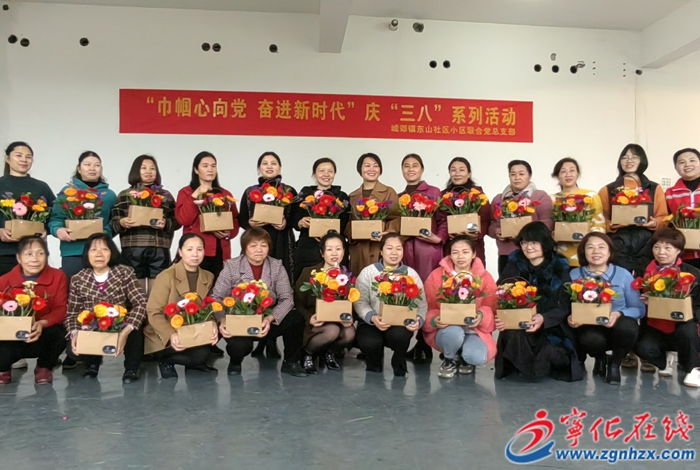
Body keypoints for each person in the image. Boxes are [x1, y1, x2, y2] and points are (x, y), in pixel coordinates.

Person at [212, 228, 307, 377]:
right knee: (239, 346)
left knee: (296, 318)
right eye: (253, 245)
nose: (259, 250)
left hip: (266, 320)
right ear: (244, 248)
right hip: (241, 321)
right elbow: (216, 298)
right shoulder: (232, 266)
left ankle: (291, 362)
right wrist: (222, 320)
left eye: (264, 245)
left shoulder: (276, 266)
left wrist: (271, 318)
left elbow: (287, 298)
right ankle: (235, 362)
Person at [495, 221, 582, 382]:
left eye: (534, 242)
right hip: (521, 322)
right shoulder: (515, 263)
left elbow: (565, 305)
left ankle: (533, 367)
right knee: (514, 336)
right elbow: (500, 292)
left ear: (545, 243)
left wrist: (543, 318)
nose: (528, 247)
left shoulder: (560, 266)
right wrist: (502, 316)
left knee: (551, 350)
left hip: (551, 324)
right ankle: (530, 368)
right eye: (524, 242)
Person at [65, 233, 147, 383]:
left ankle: (132, 368)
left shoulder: (124, 272)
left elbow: (141, 302)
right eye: (93, 250)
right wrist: (74, 333)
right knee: (73, 348)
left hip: (120, 323)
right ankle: (92, 365)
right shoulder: (78, 279)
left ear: (112, 252)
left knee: (135, 327)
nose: (99, 254)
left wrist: (126, 330)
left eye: (104, 249)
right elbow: (72, 313)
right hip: (93, 326)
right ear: (87, 254)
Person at [568, 233, 644, 385]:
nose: (596, 251)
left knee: (628, 328)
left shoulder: (623, 274)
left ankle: (615, 363)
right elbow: (567, 305)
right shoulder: (573, 274)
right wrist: (571, 317)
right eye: (590, 247)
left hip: (618, 325)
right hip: (589, 326)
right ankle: (600, 357)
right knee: (591, 339)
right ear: (583, 252)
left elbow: (639, 309)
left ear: (610, 252)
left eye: (601, 247)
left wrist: (619, 313)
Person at [422, 236, 497, 378]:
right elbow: (428, 305)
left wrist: (481, 316)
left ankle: (464, 358)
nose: (460, 256)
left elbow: (491, 306)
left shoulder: (484, 277)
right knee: (454, 333)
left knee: (477, 357)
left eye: (465, 252)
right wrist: (434, 320)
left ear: (474, 254)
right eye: (455, 252)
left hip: (473, 330)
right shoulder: (437, 276)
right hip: (447, 330)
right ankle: (449, 358)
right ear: (450, 255)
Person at [145, 234, 218, 379]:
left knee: (203, 355)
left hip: (191, 332)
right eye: (189, 249)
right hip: (165, 333)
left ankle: (192, 360)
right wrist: (170, 334)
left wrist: (213, 325)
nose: (195, 254)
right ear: (180, 252)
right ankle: (165, 360)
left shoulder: (208, 276)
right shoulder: (166, 276)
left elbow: (208, 308)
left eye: (199, 249)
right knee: (193, 355)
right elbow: (154, 312)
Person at [634, 228, 700, 387]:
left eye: (667, 248)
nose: (661, 252)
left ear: (678, 250)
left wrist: (684, 310)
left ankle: (692, 369)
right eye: (656, 247)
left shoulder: (692, 273)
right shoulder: (643, 270)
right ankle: (664, 361)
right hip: (653, 323)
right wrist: (643, 302)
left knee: (688, 333)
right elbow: (633, 299)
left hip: (683, 321)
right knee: (642, 348)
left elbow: (698, 303)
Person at [354, 233, 427, 377]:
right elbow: (360, 301)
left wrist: (418, 320)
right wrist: (372, 317)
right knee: (369, 342)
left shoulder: (411, 274)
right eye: (389, 248)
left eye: (398, 249)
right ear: (381, 251)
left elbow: (421, 303)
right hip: (372, 323)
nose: (394, 252)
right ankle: (374, 360)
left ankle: (399, 358)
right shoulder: (368, 272)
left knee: (400, 336)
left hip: (399, 323)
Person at [399, 154, 447, 365]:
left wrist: (439, 238)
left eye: (415, 165)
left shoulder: (434, 193)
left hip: (428, 251)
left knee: (428, 296)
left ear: (422, 169)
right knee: (408, 294)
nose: (410, 169)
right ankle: (409, 341)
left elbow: (444, 220)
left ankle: (424, 344)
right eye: (406, 166)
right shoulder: (400, 197)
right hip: (406, 251)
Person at [0, 236, 67, 385]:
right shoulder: (4, 281)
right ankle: (3, 368)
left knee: (62, 331)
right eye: (29, 254)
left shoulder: (58, 277)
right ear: (19, 258)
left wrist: (42, 323)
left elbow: (61, 308)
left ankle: (44, 367)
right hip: (12, 338)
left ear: (47, 256)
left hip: (43, 334)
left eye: (40, 253)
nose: (35, 259)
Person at [110, 155, 180, 296]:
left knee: (158, 294)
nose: (149, 171)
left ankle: (153, 312)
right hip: (133, 249)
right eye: (144, 168)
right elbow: (113, 223)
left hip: (159, 248)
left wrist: (166, 223)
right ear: (136, 171)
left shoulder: (165, 196)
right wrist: (122, 222)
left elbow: (177, 221)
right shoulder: (125, 195)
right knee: (137, 294)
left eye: (152, 168)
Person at [598, 144, 668, 277]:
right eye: (625, 157)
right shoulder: (607, 190)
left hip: (647, 243)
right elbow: (600, 219)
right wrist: (610, 225)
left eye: (634, 157)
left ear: (642, 160)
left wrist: (655, 223)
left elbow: (664, 217)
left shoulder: (654, 188)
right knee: (618, 280)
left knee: (647, 280)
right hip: (618, 242)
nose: (629, 160)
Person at [48, 151, 117, 279]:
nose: (92, 168)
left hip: (100, 253)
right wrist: (58, 230)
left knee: (101, 288)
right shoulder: (67, 192)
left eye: (97, 165)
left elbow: (114, 222)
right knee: (73, 287)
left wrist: (105, 232)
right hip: (73, 252)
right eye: (87, 164)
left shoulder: (109, 195)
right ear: (79, 169)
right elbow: (55, 219)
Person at [294, 232, 356, 374]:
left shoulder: (347, 276)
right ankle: (307, 353)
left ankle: (328, 353)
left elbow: (351, 303)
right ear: (322, 253)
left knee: (350, 332)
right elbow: (296, 301)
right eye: (329, 249)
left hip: (338, 321)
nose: (334, 253)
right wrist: (309, 317)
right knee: (332, 330)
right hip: (314, 321)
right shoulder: (309, 272)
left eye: (338, 249)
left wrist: (349, 317)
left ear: (344, 251)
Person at [175, 151, 239, 281]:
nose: (210, 169)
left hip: (220, 250)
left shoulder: (225, 194)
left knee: (219, 288)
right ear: (196, 170)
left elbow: (234, 219)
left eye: (213, 166)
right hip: (196, 251)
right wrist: (195, 195)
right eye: (205, 166)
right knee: (194, 287)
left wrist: (228, 233)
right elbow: (183, 219)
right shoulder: (186, 192)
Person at [238, 152, 298, 282]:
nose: (269, 166)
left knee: (283, 277)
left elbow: (296, 218)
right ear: (259, 168)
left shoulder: (289, 191)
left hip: (282, 240)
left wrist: (285, 222)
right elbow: (241, 219)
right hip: (256, 239)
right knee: (253, 277)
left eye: (273, 163)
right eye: (265, 163)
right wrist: (250, 223)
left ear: (280, 168)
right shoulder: (250, 192)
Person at [488, 160, 554, 277]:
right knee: (507, 285)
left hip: (533, 253)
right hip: (506, 253)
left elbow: (547, 223)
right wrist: (496, 231)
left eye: (521, 174)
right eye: (513, 174)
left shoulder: (539, 196)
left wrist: (525, 236)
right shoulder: (499, 199)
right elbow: (491, 224)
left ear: (530, 176)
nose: (517, 177)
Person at [290, 158, 350, 282]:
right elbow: (293, 219)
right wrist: (300, 222)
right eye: (321, 171)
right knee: (306, 283)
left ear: (334, 174)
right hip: (308, 249)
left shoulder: (342, 196)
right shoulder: (305, 194)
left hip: (334, 250)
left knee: (335, 283)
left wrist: (328, 232)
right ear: (314, 174)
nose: (326, 174)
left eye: (330, 171)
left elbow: (345, 224)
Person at [0, 142, 56, 276]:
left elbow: (56, 215)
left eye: (28, 157)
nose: (24, 160)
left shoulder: (41, 187)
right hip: (4, 252)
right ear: (7, 158)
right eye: (18, 155)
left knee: (35, 288)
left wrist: (46, 229)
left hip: (34, 255)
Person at [346, 153, 400, 278]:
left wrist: (387, 231)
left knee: (382, 283)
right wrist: (354, 233)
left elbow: (397, 217)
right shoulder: (353, 196)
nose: (372, 169)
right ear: (360, 169)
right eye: (367, 165)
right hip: (358, 249)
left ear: (380, 170)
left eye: (375, 165)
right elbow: (347, 223)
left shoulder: (389, 192)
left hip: (380, 246)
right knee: (359, 282)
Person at [550, 158, 606, 267]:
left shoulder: (590, 196)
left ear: (578, 174)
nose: (568, 174)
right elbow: (550, 226)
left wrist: (592, 243)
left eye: (572, 170)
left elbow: (599, 224)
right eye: (563, 171)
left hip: (587, 254)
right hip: (561, 255)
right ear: (557, 176)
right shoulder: (552, 199)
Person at [442, 157, 490, 264]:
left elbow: (486, 219)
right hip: (451, 246)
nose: (457, 173)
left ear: (469, 174)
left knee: (475, 273)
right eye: (453, 170)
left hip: (474, 245)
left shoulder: (478, 194)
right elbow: (440, 220)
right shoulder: (443, 196)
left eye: (462, 170)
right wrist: (447, 233)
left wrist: (477, 234)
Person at [665, 148, 700, 270]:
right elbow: (666, 221)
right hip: (684, 255)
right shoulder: (670, 193)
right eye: (681, 162)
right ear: (676, 168)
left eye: (692, 160)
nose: (687, 165)